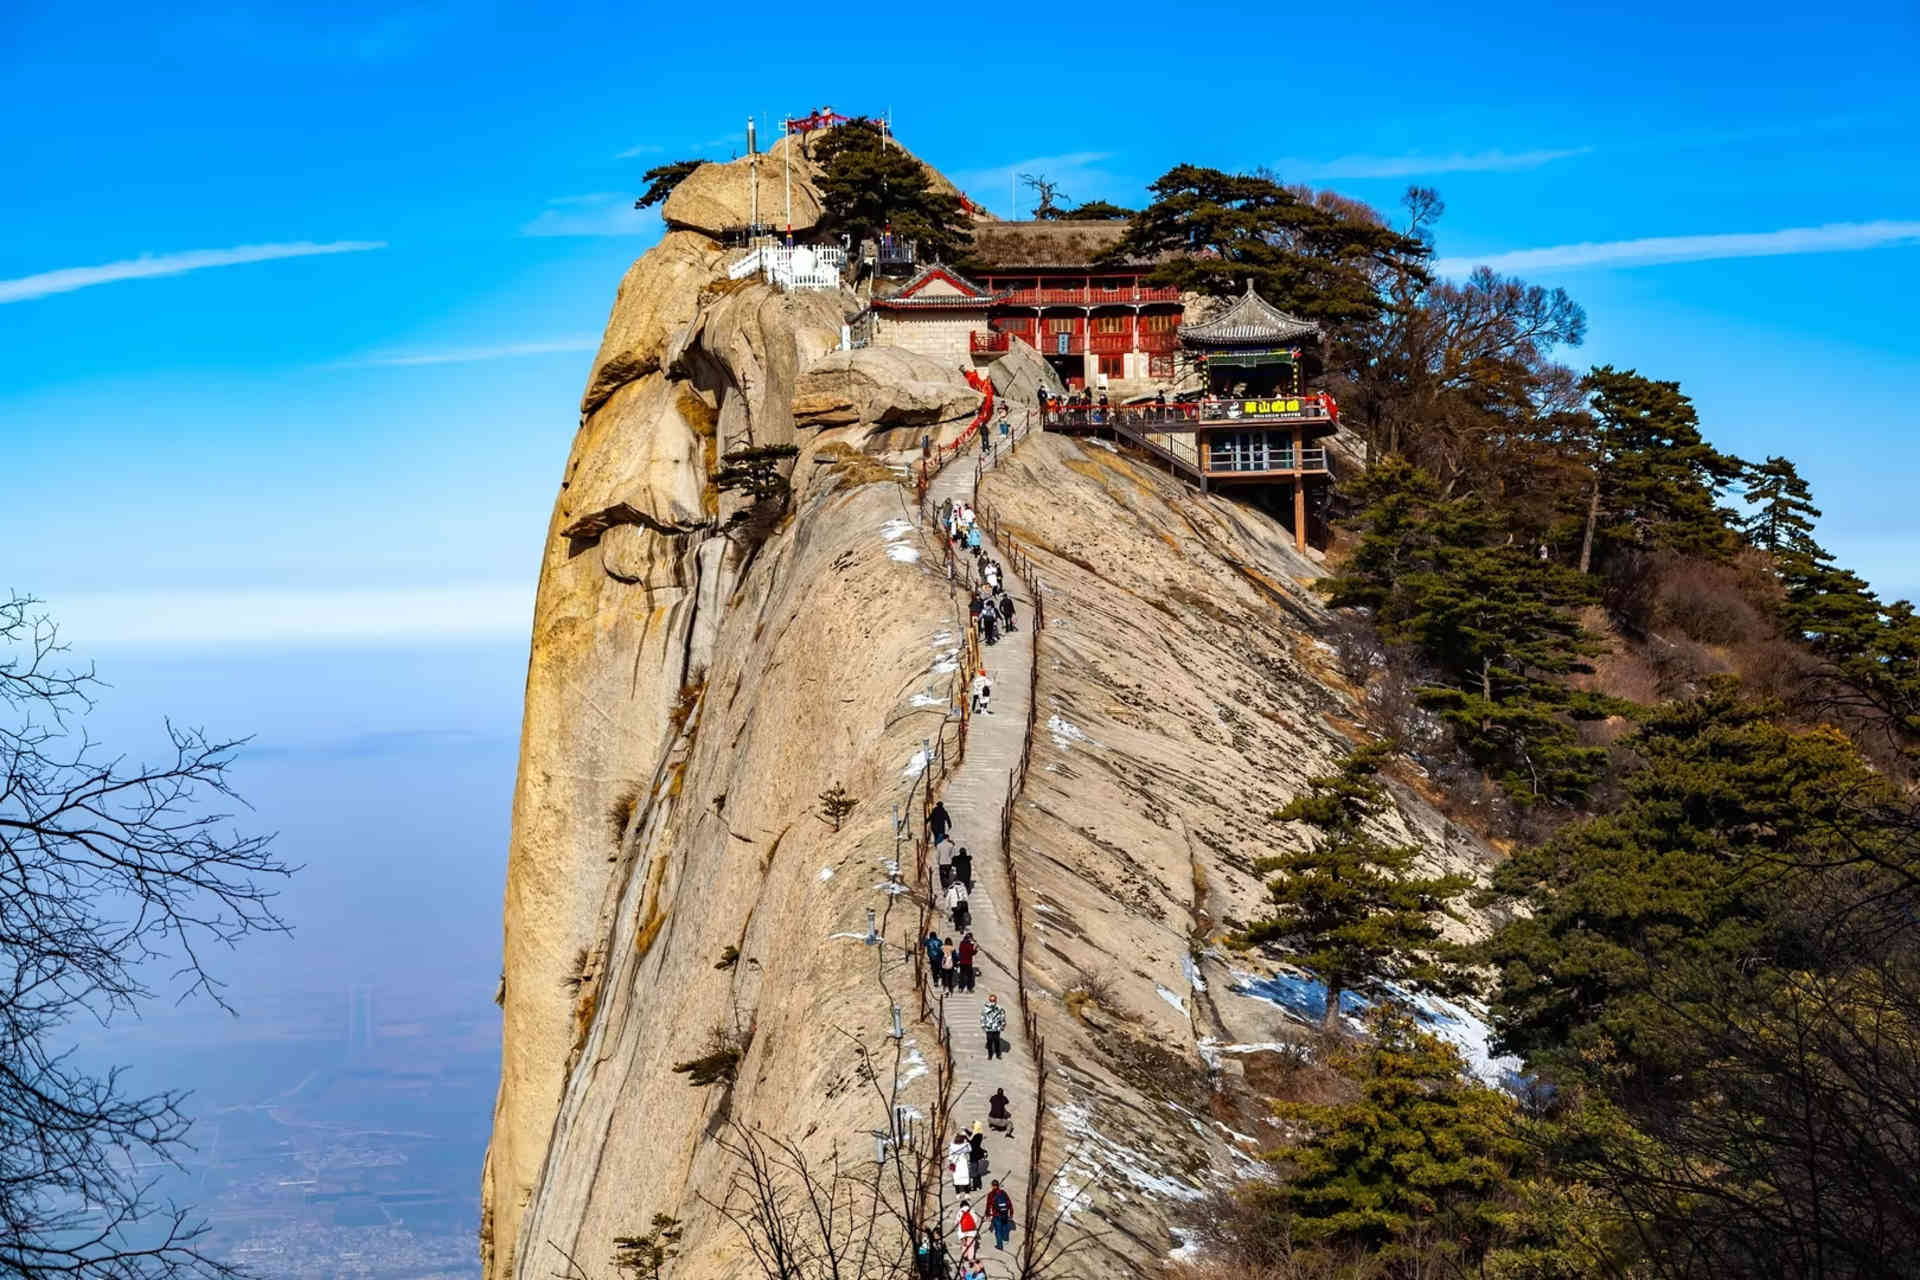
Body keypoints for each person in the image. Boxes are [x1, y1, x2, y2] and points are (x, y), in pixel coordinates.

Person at [986, 1180, 1016, 1251]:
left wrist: (987, 1214)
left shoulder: (991, 1194)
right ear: (998, 1185)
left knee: (998, 1230)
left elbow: (988, 1205)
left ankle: (999, 1245)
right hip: (1005, 1214)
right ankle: (1005, 1238)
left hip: (997, 1215)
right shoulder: (1003, 1193)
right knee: (1005, 1225)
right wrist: (1011, 1212)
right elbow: (1009, 1203)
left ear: (992, 1186)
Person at [981, 993, 1008, 1059]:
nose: (992, 1002)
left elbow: (1002, 1017)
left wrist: (1003, 1025)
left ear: (996, 1000)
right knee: (989, 1041)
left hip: (996, 1028)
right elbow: (983, 1017)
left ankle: (998, 1054)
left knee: (997, 1041)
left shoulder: (999, 1008)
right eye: (991, 1000)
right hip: (989, 1028)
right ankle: (990, 1055)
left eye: (993, 1000)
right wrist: (983, 1025)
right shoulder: (985, 1008)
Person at [954, 1199, 980, 1263]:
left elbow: (956, 1222)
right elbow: (976, 1220)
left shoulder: (960, 1211)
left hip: (962, 1232)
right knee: (971, 1245)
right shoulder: (971, 1210)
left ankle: (964, 1256)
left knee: (964, 1245)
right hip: (971, 1231)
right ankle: (970, 1258)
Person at [968, 1122, 988, 1191]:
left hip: (974, 1156)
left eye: (973, 1126)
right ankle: (977, 1185)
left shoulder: (977, 1136)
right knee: (973, 1171)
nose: (972, 1127)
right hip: (974, 1156)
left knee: (973, 1172)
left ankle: (976, 1185)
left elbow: (973, 1143)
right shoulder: (978, 1135)